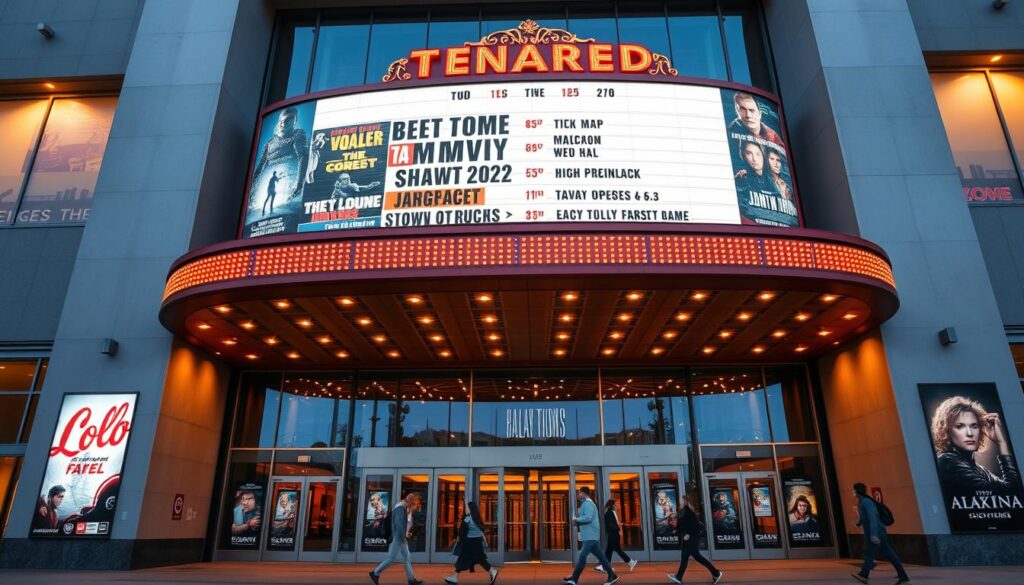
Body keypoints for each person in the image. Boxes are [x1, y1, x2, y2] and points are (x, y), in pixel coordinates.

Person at [931, 396, 1020, 493]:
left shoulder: (979, 470)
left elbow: (1012, 492)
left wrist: (1001, 443)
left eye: (974, 426)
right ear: (946, 431)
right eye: (960, 426)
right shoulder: (947, 462)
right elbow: (1003, 495)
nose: (969, 433)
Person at [851, 483, 910, 584]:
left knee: (870, 553)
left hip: (877, 532)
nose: (852, 492)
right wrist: (858, 523)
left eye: (853, 490)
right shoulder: (862, 502)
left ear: (857, 491)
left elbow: (873, 518)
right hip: (874, 532)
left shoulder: (867, 502)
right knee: (887, 554)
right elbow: (864, 517)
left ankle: (863, 575)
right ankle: (903, 577)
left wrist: (874, 535)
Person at [251, 106, 309, 201]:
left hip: (290, 185)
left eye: (289, 120)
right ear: (279, 122)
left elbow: (303, 156)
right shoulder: (269, 143)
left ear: (294, 121)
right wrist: (251, 190)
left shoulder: (298, 134)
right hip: (267, 189)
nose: (284, 124)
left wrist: (299, 184)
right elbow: (260, 167)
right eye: (282, 121)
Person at [564, 486, 617, 585]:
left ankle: (574, 579)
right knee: (601, 557)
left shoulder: (588, 504)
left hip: (590, 536)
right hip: (590, 535)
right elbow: (587, 518)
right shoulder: (587, 503)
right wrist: (578, 521)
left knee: (582, 556)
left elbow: (588, 517)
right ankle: (612, 575)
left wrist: (576, 520)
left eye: (579, 493)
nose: (578, 495)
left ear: (584, 494)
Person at [369, 493, 423, 585]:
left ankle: (411, 579)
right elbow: (398, 524)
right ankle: (375, 573)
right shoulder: (400, 508)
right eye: (416, 505)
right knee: (391, 558)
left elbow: (406, 524)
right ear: (412, 503)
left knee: (406, 557)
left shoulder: (406, 508)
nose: (416, 508)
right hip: (398, 536)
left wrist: (408, 532)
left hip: (401, 536)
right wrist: (403, 536)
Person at [667, 495, 722, 585]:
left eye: (682, 500)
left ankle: (716, 572)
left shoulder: (688, 511)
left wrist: (687, 534)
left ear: (686, 501)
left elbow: (694, 526)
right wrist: (676, 531)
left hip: (691, 538)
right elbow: (683, 525)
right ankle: (679, 577)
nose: (680, 502)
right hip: (688, 538)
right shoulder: (683, 511)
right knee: (685, 557)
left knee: (697, 556)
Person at [446, 501, 498, 585]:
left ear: (470, 509)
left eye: (466, 507)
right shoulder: (477, 518)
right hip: (477, 542)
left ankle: (454, 577)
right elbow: (481, 531)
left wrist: (459, 538)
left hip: (470, 543)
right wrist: (484, 540)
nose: (465, 509)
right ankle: (492, 571)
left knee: (463, 558)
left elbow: (462, 531)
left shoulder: (468, 518)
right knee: (479, 559)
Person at [595, 499, 637, 573]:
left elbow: (612, 524)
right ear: (612, 505)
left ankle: (630, 562)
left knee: (616, 550)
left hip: (613, 534)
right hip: (613, 533)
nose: (617, 506)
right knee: (609, 550)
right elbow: (613, 524)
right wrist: (618, 528)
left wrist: (618, 528)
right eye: (615, 504)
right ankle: (605, 566)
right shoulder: (610, 513)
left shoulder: (610, 513)